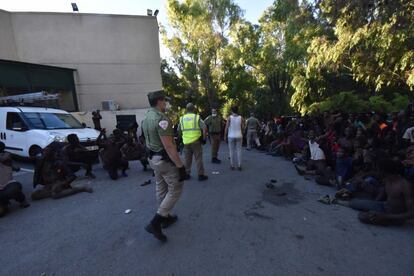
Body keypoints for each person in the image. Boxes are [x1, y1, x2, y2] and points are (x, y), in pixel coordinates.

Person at [141, 90, 187, 242]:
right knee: (175, 189)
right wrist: (180, 166)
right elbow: (169, 146)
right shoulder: (162, 119)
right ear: (159, 101)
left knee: (161, 187)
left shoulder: (147, 117)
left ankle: (165, 217)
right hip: (164, 160)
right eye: (164, 101)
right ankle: (156, 222)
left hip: (152, 158)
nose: (166, 104)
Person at [342, 159, 414, 226]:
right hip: (384, 206)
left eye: (378, 170)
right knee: (355, 203)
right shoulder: (387, 179)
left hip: (395, 215)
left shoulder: (405, 185)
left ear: (384, 171)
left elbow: (411, 213)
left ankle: (382, 218)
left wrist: (386, 216)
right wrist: (373, 204)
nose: (377, 172)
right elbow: (381, 194)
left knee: (363, 217)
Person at [179, 103, 208, 181]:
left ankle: (187, 174)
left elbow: (179, 130)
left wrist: (180, 140)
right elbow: (204, 128)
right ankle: (200, 175)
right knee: (198, 158)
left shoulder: (182, 118)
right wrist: (204, 138)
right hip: (196, 141)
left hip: (186, 142)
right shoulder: (196, 117)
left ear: (186, 109)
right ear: (193, 109)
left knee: (187, 159)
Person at [0, 142, 30, 217]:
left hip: (7, 186)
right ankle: (4, 205)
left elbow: (6, 159)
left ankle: (22, 200)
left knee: (14, 188)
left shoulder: (6, 156)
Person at [224, 105, 245, 171]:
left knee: (231, 151)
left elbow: (226, 127)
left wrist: (225, 135)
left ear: (231, 110)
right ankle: (239, 165)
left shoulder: (229, 118)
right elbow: (243, 127)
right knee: (239, 150)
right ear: (237, 110)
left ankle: (232, 165)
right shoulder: (241, 118)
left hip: (231, 136)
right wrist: (242, 133)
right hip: (239, 136)